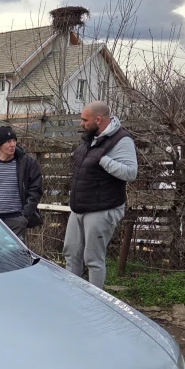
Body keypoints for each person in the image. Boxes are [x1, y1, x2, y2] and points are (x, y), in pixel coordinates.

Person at [63, 101, 137, 289]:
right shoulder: (91, 138)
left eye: (84, 120)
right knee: (71, 254)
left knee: (93, 259)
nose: (81, 124)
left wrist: (103, 160)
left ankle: (95, 300)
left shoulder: (121, 139)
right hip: (79, 207)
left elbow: (131, 173)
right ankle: (72, 296)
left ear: (98, 119)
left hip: (102, 208)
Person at [0, 123, 43, 238]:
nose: (12, 145)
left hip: (16, 219)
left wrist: (24, 216)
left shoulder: (27, 163)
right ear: (0, 145)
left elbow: (36, 190)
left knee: (14, 249)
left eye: (14, 141)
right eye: (8, 142)